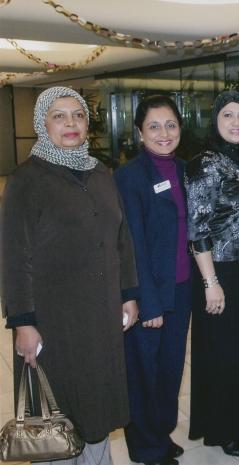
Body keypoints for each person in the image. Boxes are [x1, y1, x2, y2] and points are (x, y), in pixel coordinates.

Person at [1, 86, 139, 465]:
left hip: (100, 314)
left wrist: (128, 293)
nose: (71, 124)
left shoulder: (100, 173)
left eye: (77, 115)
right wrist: (23, 322)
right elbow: (14, 257)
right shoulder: (27, 179)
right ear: (42, 124)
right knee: (57, 410)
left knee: (97, 407)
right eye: (59, 116)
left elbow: (121, 238)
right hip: (53, 319)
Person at [185, 90, 239, 458]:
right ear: (216, 122)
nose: (237, 123)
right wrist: (210, 283)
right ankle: (224, 429)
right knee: (223, 352)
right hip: (218, 270)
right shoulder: (205, 163)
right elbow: (198, 228)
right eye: (228, 116)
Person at [114, 95, 192, 465]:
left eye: (171, 125)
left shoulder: (185, 171)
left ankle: (160, 434)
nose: (164, 133)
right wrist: (147, 301)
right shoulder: (129, 177)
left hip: (182, 290)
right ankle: (147, 448)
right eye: (154, 126)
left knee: (170, 370)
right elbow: (133, 245)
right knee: (143, 374)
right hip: (152, 294)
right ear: (140, 133)